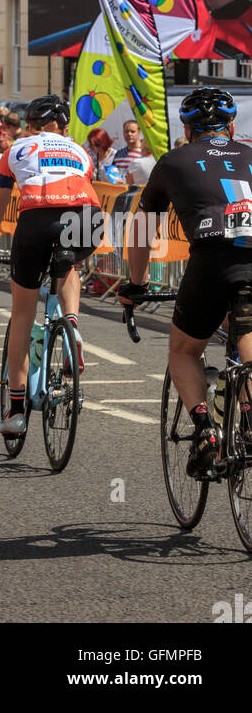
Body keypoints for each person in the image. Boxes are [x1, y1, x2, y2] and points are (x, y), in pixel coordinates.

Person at [120, 88, 252, 477]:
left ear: (187, 129)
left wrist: (137, 284)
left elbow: (143, 227)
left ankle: (206, 432)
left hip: (213, 257)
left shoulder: (174, 160)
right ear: (231, 127)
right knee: (246, 330)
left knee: (183, 350)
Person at [0, 95, 98, 438]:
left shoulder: (16, 149)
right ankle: (72, 328)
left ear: (29, 126)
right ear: (66, 127)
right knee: (69, 264)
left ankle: (15, 411)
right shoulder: (80, 152)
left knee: (22, 315)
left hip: (37, 218)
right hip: (88, 217)